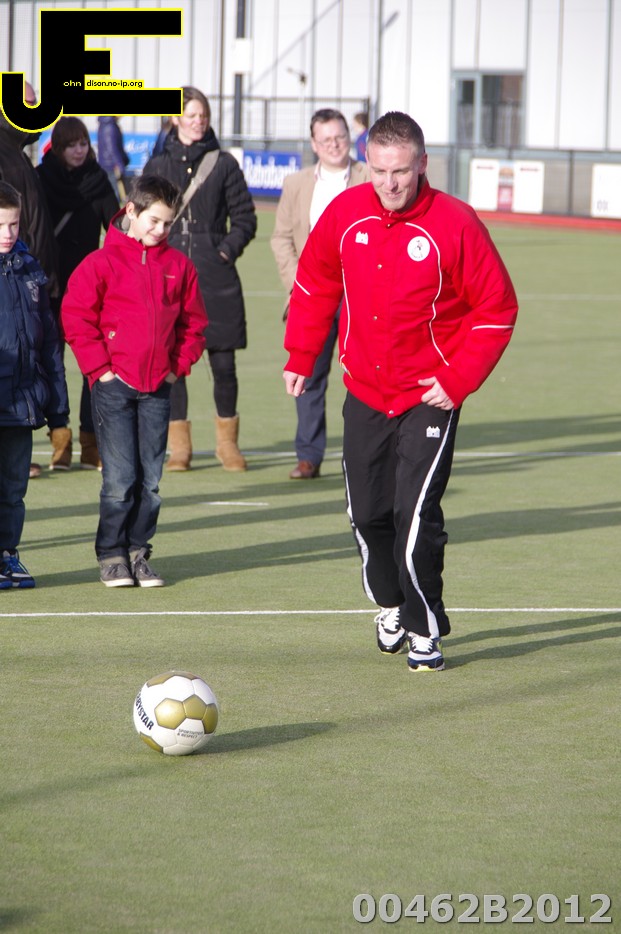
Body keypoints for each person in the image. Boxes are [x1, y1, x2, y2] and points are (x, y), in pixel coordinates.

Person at [283, 112, 518, 671]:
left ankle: (424, 628)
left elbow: (497, 308)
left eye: (402, 172)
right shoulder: (345, 214)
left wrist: (457, 380)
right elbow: (314, 284)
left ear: (422, 165)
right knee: (367, 514)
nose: (390, 183)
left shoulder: (455, 223)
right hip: (365, 391)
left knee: (416, 518)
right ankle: (390, 603)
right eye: (380, 170)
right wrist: (300, 355)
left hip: (428, 396)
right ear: (367, 163)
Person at [61, 175, 208, 588]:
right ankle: (112, 554)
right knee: (120, 479)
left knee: (151, 481)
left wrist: (177, 367)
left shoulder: (179, 266)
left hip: (158, 387)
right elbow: (76, 317)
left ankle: (139, 552)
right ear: (131, 211)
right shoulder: (100, 263)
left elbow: (194, 324)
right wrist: (101, 371)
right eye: (154, 220)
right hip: (114, 388)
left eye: (168, 223)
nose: (160, 230)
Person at [144, 86, 257, 472]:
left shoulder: (224, 164)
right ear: (175, 118)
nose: (198, 122)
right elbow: (141, 219)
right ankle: (180, 448)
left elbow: (245, 219)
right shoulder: (158, 165)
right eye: (191, 115)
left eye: (203, 115)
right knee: (174, 365)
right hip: (169, 274)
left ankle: (228, 445)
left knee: (223, 364)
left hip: (215, 276)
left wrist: (222, 252)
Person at [271, 109, 369, 480]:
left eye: (340, 137)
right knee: (307, 373)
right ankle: (308, 455)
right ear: (314, 143)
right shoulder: (296, 183)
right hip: (312, 294)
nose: (334, 144)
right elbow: (281, 238)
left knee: (363, 371)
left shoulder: (369, 177)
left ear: (349, 137)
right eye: (326, 139)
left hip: (360, 294)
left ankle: (363, 454)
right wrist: (300, 283)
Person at [37, 116, 120, 470]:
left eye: (83, 143)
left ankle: (91, 441)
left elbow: (116, 231)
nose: (79, 150)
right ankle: (60, 437)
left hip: (90, 289)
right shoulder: (41, 179)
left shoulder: (99, 181)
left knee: (94, 364)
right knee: (53, 365)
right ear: (57, 147)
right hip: (50, 286)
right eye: (71, 144)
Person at [0, 181, 69, 589]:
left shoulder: (30, 269)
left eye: (14, 224)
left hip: (22, 402)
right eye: (0, 225)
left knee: (13, 488)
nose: (8, 233)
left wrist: (58, 411)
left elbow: (50, 344)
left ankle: (8, 554)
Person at [0, 79, 61, 478]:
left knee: (33, 357)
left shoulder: (18, 152)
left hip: (30, 276)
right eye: (30, 103)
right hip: (13, 275)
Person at [97, 116, 130, 203]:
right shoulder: (110, 126)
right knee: (115, 195)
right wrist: (120, 164)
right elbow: (112, 149)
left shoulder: (105, 124)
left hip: (107, 164)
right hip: (112, 166)